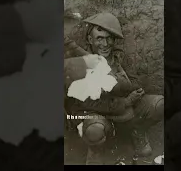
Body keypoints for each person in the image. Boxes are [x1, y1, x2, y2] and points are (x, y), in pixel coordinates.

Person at [64, 13, 165, 165]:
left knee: (159, 104)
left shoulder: (119, 57)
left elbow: (137, 82)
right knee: (94, 130)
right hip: (96, 114)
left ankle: (137, 131)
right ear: (90, 40)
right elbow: (84, 104)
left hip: (123, 111)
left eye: (109, 38)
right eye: (100, 38)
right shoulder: (79, 65)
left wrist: (124, 83)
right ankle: (96, 150)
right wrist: (123, 101)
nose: (105, 44)